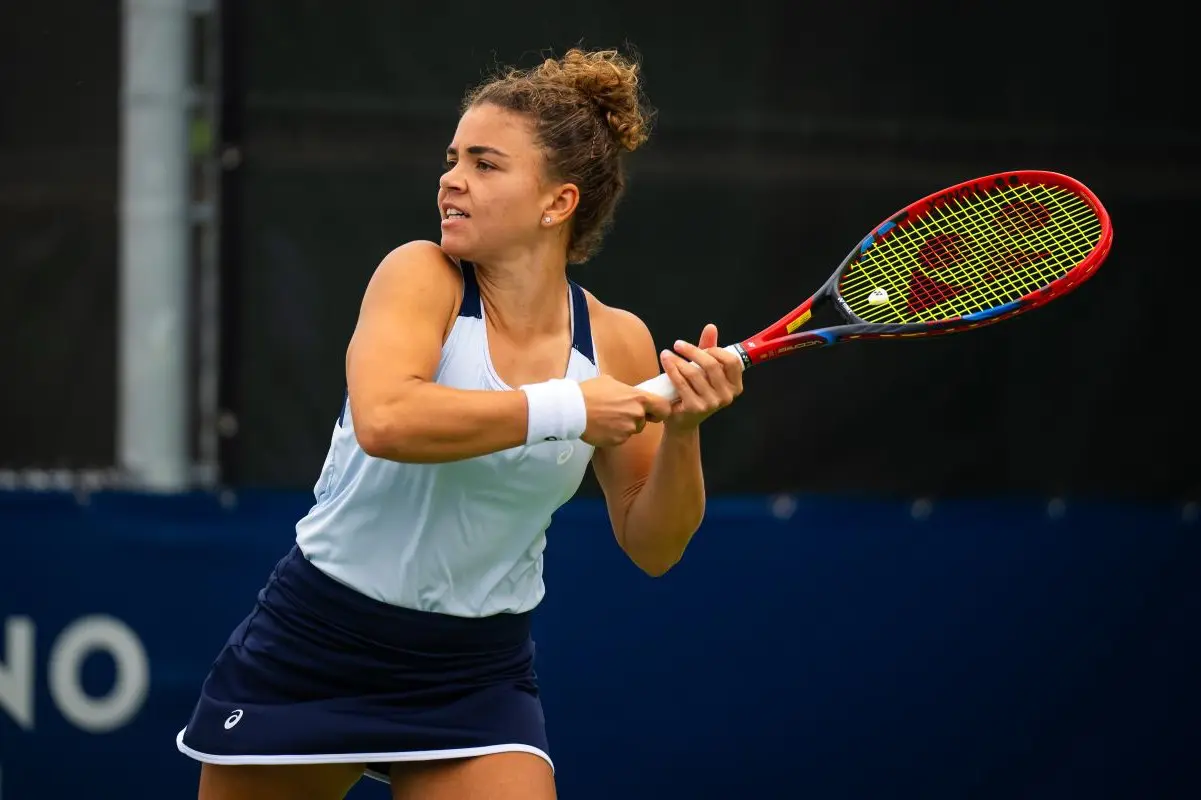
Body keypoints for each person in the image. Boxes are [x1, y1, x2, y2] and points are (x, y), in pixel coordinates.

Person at [176, 46, 744, 800]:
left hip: (474, 670)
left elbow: (654, 545)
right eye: (452, 159)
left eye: (484, 164)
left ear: (557, 203)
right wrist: (569, 407)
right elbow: (388, 419)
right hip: (319, 640)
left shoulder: (615, 342)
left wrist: (683, 431)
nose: (451, 178)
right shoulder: (418, 276)